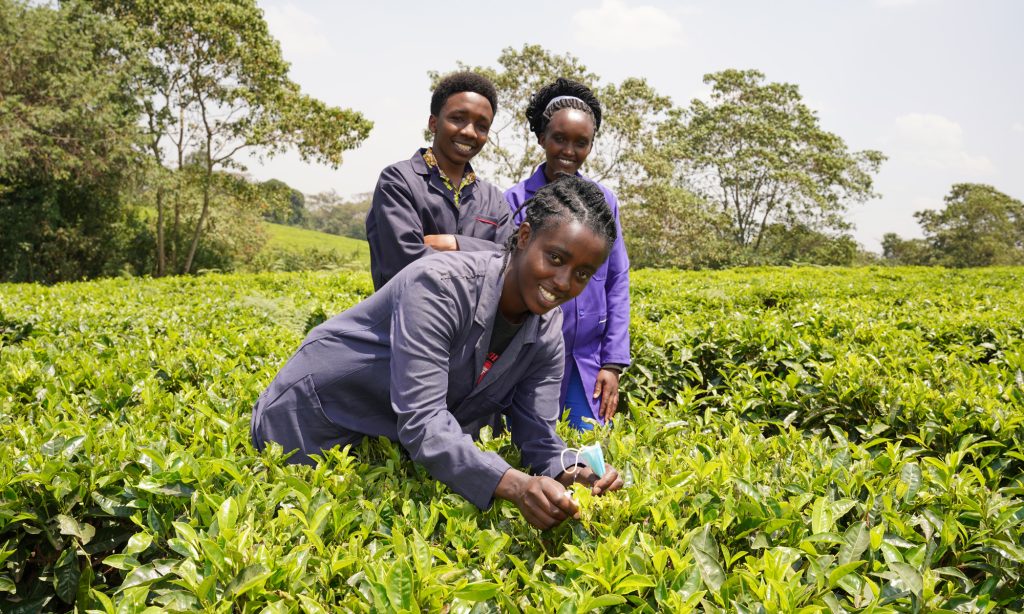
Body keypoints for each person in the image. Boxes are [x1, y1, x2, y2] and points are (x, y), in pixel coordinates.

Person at [252, 176, 625, 530]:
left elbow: (538, 435)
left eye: (581, 274)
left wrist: (576, 473)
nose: (563, 283)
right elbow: (423, 418)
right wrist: (513, 485)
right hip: (314, 421)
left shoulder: (547, 329)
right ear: (525, 236)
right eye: (556, 259)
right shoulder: (439, 285)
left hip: (386, 441)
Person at [504, 78, 631, 431]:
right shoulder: (514, 202)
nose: (568, 151)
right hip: (527, 358)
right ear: (542, 137)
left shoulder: (605, 203)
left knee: (589, 458)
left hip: (586, 363)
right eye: (559, 138)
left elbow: (617, 281)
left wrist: (613, 363)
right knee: (530, 451)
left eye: (581, 143)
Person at [365, 71, 513, 290]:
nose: (470, 132)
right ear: (433, 123)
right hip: (407, 319)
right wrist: (486, 254)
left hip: (471, 325)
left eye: (482, 126)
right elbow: (408, 265)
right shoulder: (398, 181)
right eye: (457, 119)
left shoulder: (494, 199)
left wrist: (453, 244)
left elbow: (512, 262)